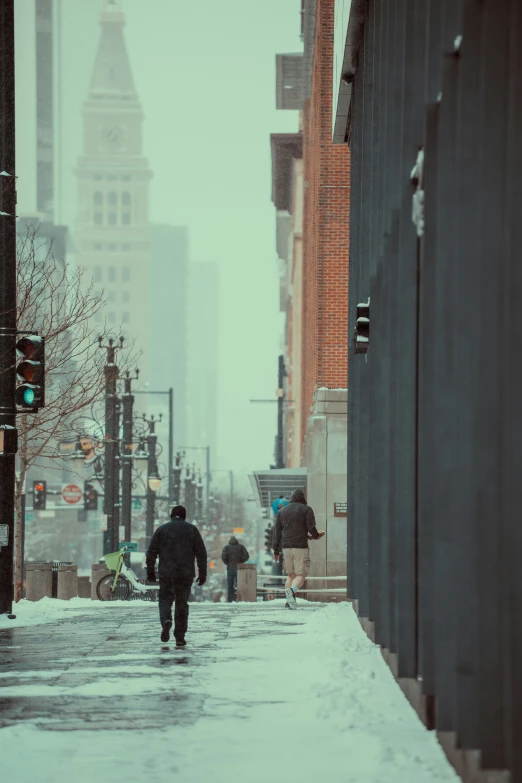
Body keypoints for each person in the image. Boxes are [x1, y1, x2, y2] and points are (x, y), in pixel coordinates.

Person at [146, 505, 207, 646]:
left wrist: (150, 571)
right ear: (185, 517)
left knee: (165, 600)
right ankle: (180, 636)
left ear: (171, 516)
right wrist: (202, 572)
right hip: (185, 574)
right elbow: (201, 553)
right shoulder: (191, 530)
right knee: (182, 604)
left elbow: (151, 552)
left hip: (167, 572)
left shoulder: (162, 530)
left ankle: (166, 620)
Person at [273, 488, 325, 610]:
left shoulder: (282, 511)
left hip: (286, 547)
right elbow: (311, 527)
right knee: (301, 575)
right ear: (303, 498)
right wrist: (316, 535)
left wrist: (275, 550)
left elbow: (276, 533)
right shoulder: (306, 509)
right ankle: (292, 591)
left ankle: (289, 602)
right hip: (300, 547)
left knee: (291, 575)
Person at [221, 536, 249, 602]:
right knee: (239, 584)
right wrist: (241, 561)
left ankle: (230, 599)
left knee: (230, 585)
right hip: (239, 568)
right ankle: (240, 598)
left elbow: (223, 557)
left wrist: (227, 563)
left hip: (230, 568)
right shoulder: (241, 547)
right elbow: (246, 556)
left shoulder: (226, 547)